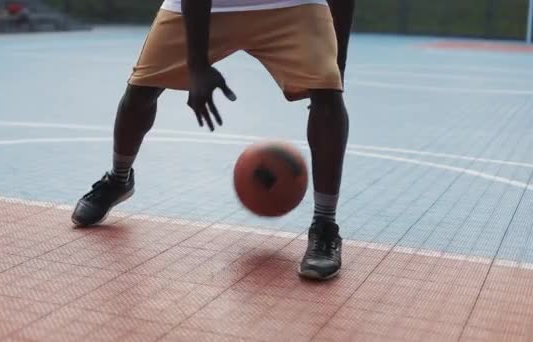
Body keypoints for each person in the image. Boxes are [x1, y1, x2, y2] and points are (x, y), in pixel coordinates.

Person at [72, 0, 355, 281]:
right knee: (140, 91)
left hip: (294, 5)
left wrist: (337, 65)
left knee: (328, 95)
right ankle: (119, 180)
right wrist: (197, 65)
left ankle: (325, 225)